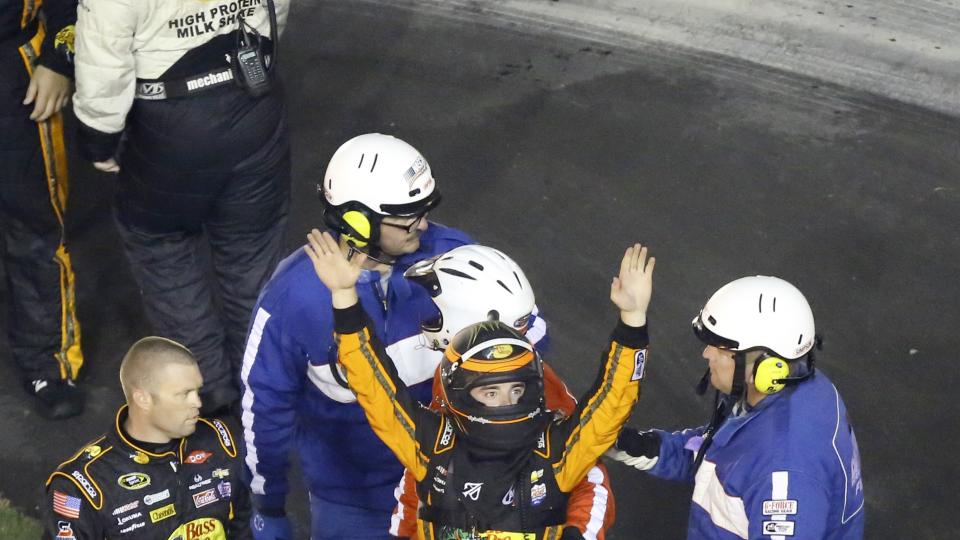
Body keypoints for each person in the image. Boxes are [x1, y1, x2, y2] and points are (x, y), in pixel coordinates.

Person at [307, 231, 654, 539]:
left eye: (516, 390)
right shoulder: (435, 438)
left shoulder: (552, 443)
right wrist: (344, 299)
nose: (507, 399)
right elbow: (375, 389)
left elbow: (611, 407)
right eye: (491, 391)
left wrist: (633, 323)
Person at [240, 133, 471, 539]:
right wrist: (267, 502)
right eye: (407, 216)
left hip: (457, 482)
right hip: (354, 501)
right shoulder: (293, 297)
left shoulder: (460, 259)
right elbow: (265, 406)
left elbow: (523, 354)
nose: (422, 224)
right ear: (356, 222)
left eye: (423, 210)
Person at [72, 0, 293, 412]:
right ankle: (265, 385)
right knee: (252, 256)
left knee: (162, 250)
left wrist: (98, 136)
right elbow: (274, 13)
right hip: (253, 105)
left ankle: (206, 391)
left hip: (169, 126)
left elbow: (104, 53)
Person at [607, 276, 865, 539]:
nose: (706, 354)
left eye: (720, 348)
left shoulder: (784, 474)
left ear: (766, 368)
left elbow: (758, 462)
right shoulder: (793, 388)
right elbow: (726, 451)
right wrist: (636, 445)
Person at [391, 244, 616, 539]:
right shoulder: (453, 372)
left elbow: (590, 478)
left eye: (438, 309)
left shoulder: (535, 388)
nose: (431, 319)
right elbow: (428, 460)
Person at [42, 336, 251, 539]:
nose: (197, 402)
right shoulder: (82, 486)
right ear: (143, 399)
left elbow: (245, 519)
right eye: (184, 394)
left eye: (197, 391)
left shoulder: (221, 440)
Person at [1, 0, 84, 419]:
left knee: (34, 226)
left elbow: (69, 6)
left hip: (14, 71)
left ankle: (47, 362)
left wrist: (59, 58)